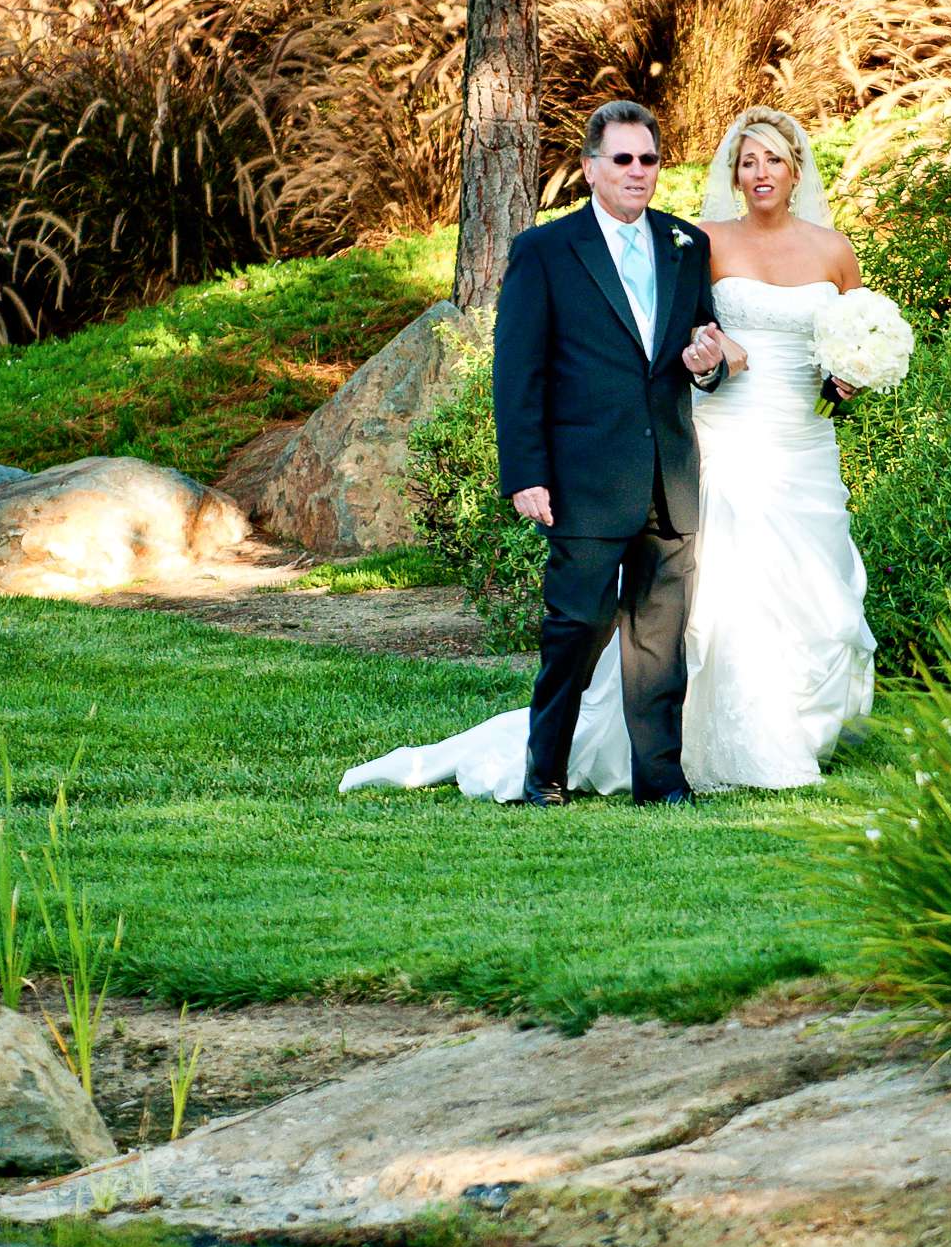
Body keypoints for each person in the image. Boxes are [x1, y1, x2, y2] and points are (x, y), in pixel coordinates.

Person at [338, 103, 875, 801]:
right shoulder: (548, 249)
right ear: (591, 167)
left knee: (661, 637)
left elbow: (699, 348)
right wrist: (526, 474)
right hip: (593, 474)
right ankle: (545, 770)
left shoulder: (682, 245)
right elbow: (518, 371)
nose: (635, 171)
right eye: (621, 159)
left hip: (678, 472)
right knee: (577, 628)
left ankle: (661, 779)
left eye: (647, 159)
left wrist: (714, 362)